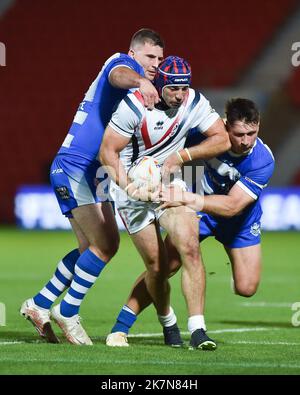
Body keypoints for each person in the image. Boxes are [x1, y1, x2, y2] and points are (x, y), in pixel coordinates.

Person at [20, 29, 164, 345]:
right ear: (134, 52)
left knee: (93, 249)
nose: (154, 64)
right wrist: (139, 79)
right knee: (107, 244)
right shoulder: (123, 64)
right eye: (150, 56)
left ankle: (39, 304)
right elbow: (119, 74)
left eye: (159, 59)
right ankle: (68, 311)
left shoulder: (138, 96)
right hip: (75, 166)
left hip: (90, 173)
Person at [108, 98, 275, 347]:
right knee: (165, 266)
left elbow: (231, 206)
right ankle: (121, 326)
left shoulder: (263, 160)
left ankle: (233, 261)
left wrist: (185, 197)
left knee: (247, 287)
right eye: (239, 134)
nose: (246, 141)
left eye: (252, 133)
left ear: (258, 126)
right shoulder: (207, 134)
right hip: (201, 210)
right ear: (225, 126)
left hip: (238, 218)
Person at [99, 56, 230, 350]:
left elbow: (222, 140)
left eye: (184, 89)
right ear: (159, 84)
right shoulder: (133, 106)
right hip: (132, 191)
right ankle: (168, 322)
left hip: (169, 186)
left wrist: (182, 157)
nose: (180, 95)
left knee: (190, 248)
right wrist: (133, 188)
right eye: (173, 89)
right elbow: (107, 154)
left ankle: (198, 330)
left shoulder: (193, 102)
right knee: (156, 269)